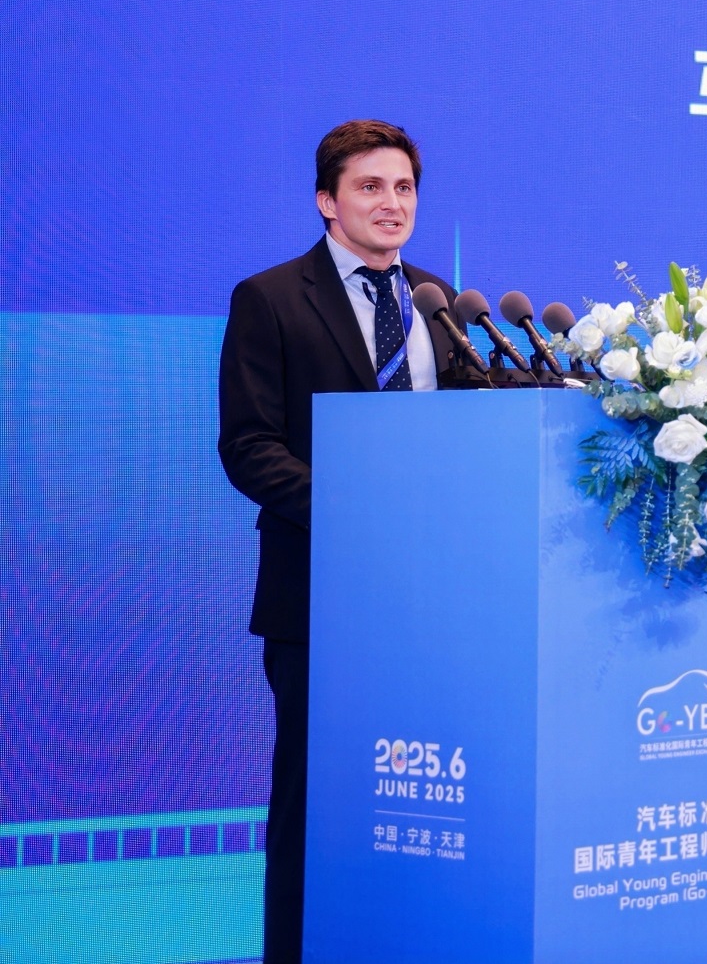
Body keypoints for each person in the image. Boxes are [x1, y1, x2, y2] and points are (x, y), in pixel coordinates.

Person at [217, 119, 458, 964]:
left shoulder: (437, 302)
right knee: (318, 806)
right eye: (370, 186)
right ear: (327, 200)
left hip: (435, 605)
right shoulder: (271, 298)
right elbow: (249, 446)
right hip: (320, 598)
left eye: (404, 187)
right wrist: (363, 512)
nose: (392, 203)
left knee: (425, 807)